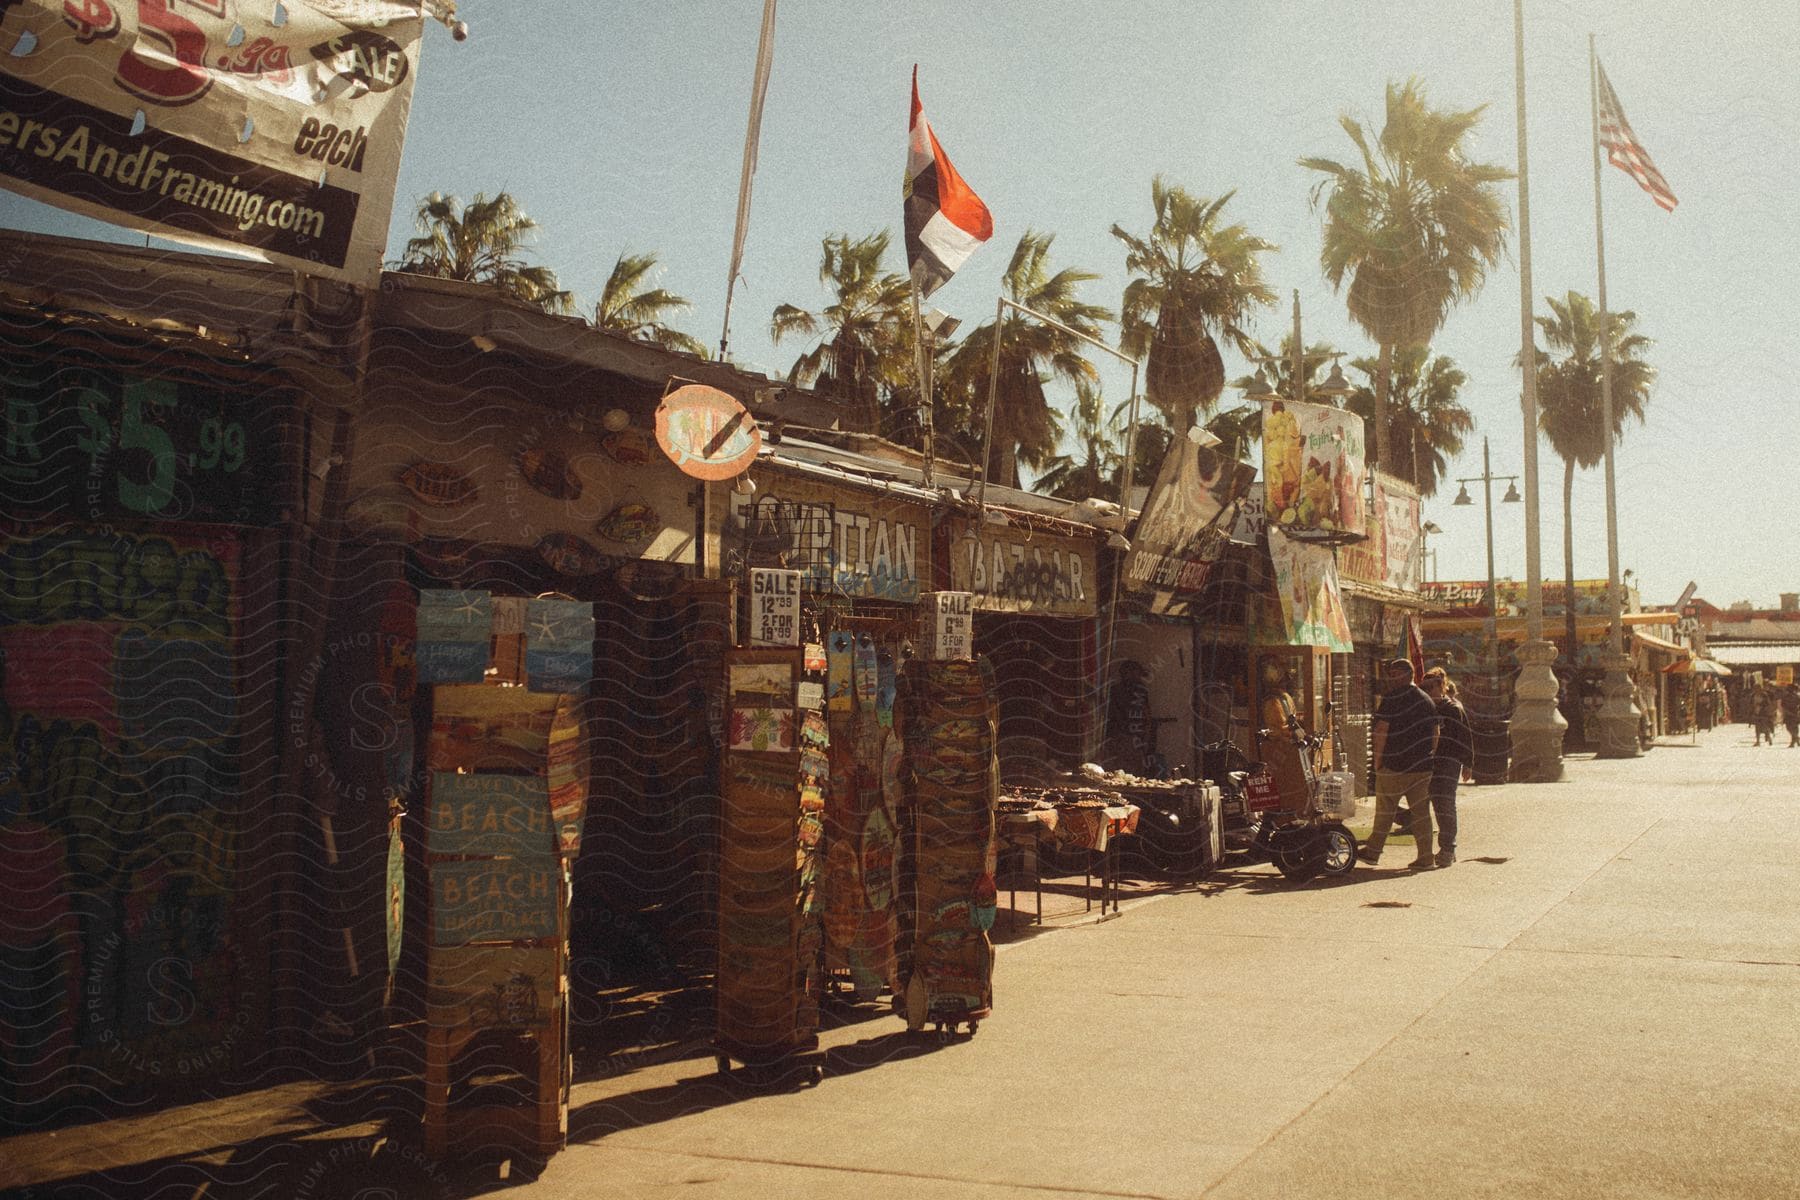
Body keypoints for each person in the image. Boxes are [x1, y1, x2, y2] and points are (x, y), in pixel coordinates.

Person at [1359, 658, 1440, 869]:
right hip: (1422, 767)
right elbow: (1435, 733)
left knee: (1385, 811)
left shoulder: (1392, 698)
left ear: (1406, 674)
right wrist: (1430, 755)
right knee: (1421, 813)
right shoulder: (1426, 700)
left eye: (1394, 674)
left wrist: (1377, 762)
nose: (1390, 678)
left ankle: (1373, 852)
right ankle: (1426, 856)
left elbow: (1381, 731)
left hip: (1393, 765)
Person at [1422, 668, 1473, 869]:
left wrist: (1468, 764)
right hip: (1426, 762)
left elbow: (1465, 737)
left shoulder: (1453, 709)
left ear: (1440, 686)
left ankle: (1448, 849)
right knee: (1425, 805)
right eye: (1423, 687)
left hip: (1448, 762)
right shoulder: (1423, 708)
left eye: (1430, 687)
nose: (1426, 691)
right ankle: (1425, 852)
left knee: (1444, 804)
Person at [1782, 683, 1800, 748]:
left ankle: (1793, 742)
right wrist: (1785, 711)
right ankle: (1797, 738)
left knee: (1795, 728)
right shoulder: (1785, 696)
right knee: (1788, 728)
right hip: (1788, 713)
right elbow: (1783, 704)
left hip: (1795, 713)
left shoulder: (1797, 696)